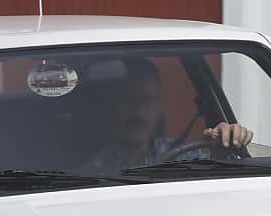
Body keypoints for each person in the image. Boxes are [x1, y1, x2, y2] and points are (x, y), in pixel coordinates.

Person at [79, 57, 252, 173]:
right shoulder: (98, 166)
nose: (138, 111)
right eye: (129, 101)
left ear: (158, 107)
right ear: (114, 108)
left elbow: (214, 180)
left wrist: (222, 147)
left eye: (147, 100)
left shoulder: (182, 155)